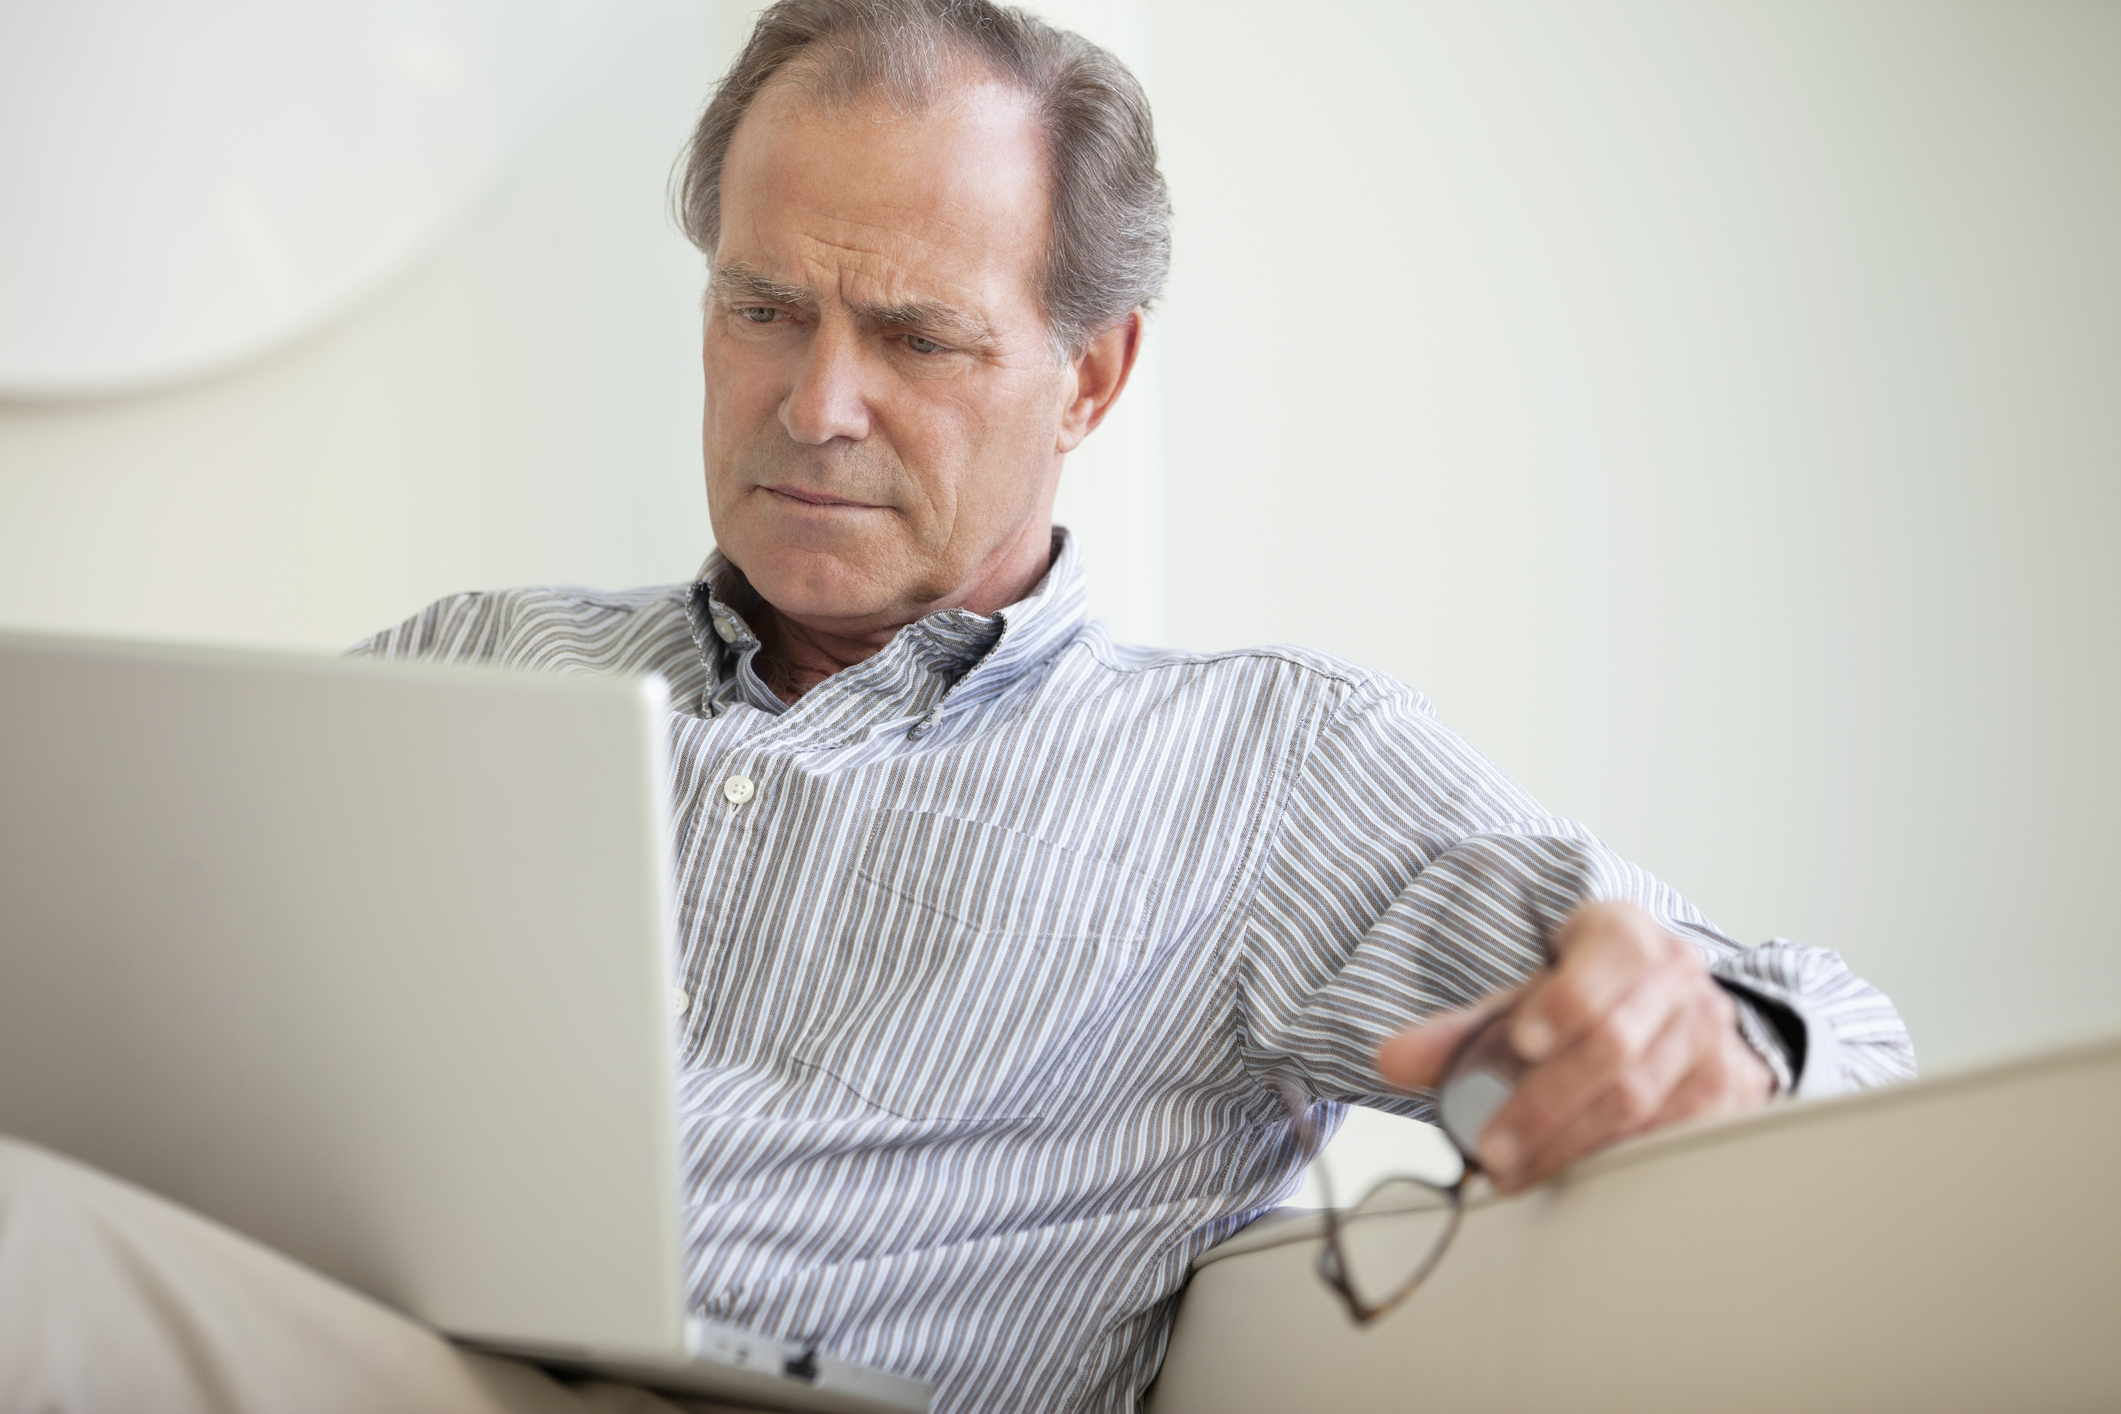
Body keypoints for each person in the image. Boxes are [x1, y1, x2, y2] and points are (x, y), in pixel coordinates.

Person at [0, 3, 1915, 1412]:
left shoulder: (1252, 771)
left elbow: (1830, 1027)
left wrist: (1704, 1041)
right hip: (325, 1339)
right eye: (762, 310)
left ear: (1090, 378)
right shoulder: (478, 664)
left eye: (916, 336)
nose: (816, 403)